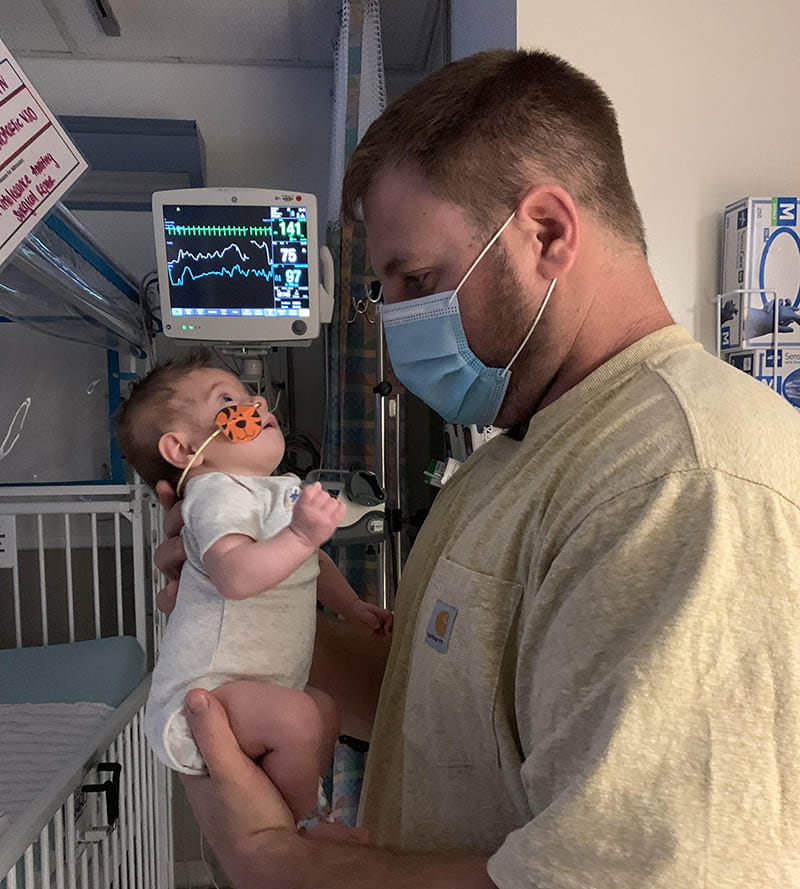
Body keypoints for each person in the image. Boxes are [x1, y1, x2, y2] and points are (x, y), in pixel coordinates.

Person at [155, 49, 800, 888]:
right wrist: (244, 612)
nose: (397, 324)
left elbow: (629, 875)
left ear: (548, 233)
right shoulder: (518, 453)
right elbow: (436, 704)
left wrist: (282, 866)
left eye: (417, 279)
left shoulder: (683, 480)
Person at [117, 353, 391, 830]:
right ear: (182, 450)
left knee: (322, 709)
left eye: (247, 395)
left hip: (253, 693)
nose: (256, 401)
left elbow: (312, 562)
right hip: (202, 702)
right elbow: (236, 577)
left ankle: (296, 805)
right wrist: (302, 535)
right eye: (227, 400)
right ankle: (300, 823)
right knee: (303, 718)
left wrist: (350, 605)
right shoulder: (216, 492)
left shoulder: (267, 490)